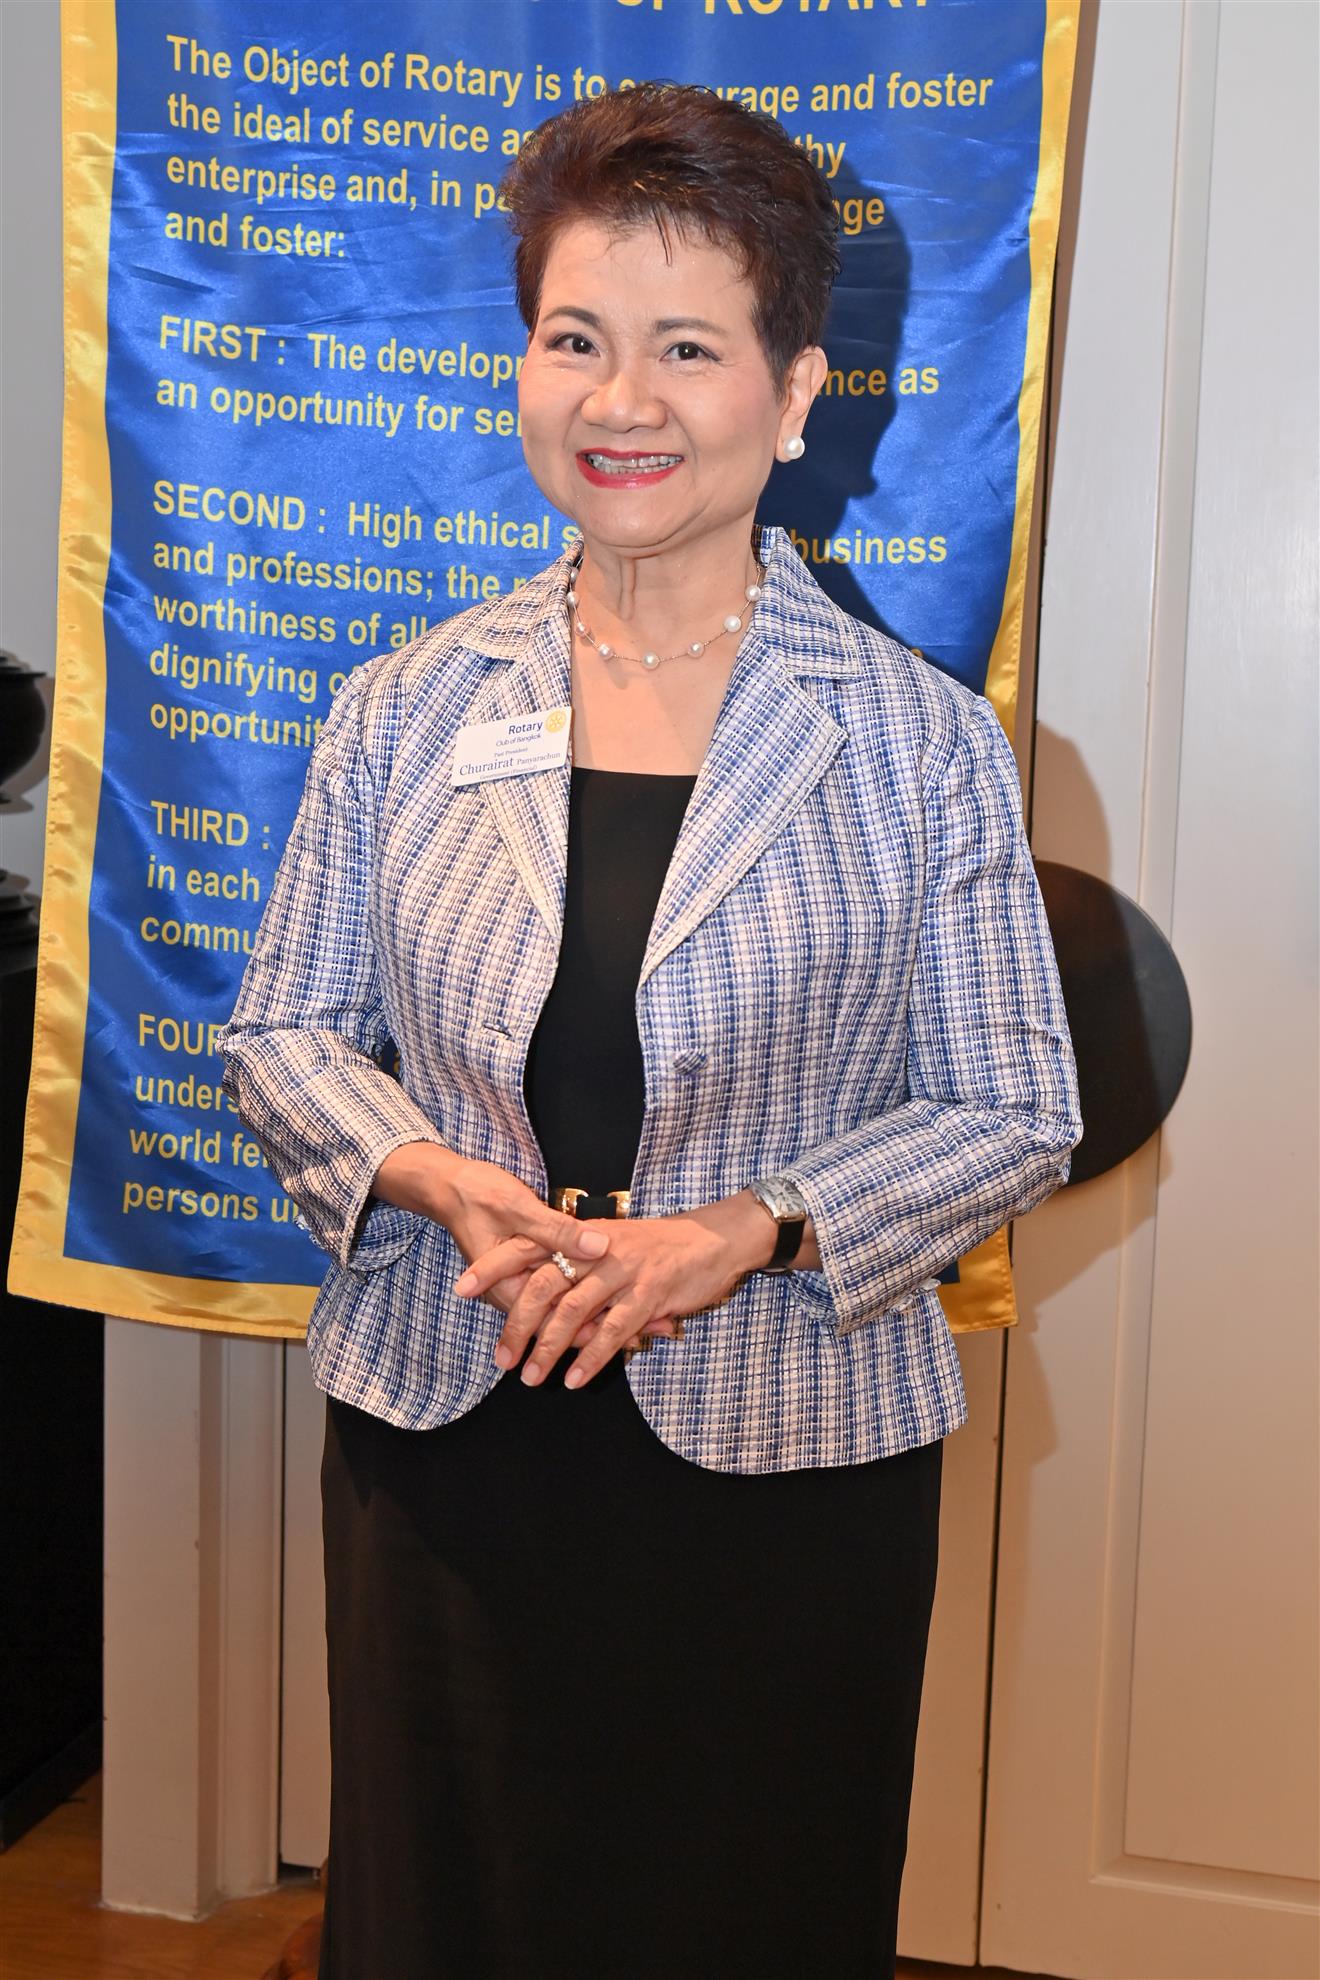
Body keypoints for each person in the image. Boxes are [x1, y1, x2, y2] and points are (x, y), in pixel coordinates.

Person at [222, 82, 1080, 1980]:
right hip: (457, 1417)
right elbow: (283, 1033)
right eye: (575, 339)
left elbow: (1015, 1102)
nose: (623, 400)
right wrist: (422, 1171)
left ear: (794, 393)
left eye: (689, 347)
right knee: (447, 1916)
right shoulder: (408, 707)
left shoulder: (918, 742)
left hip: (784, 1462)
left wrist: (747, 1227)